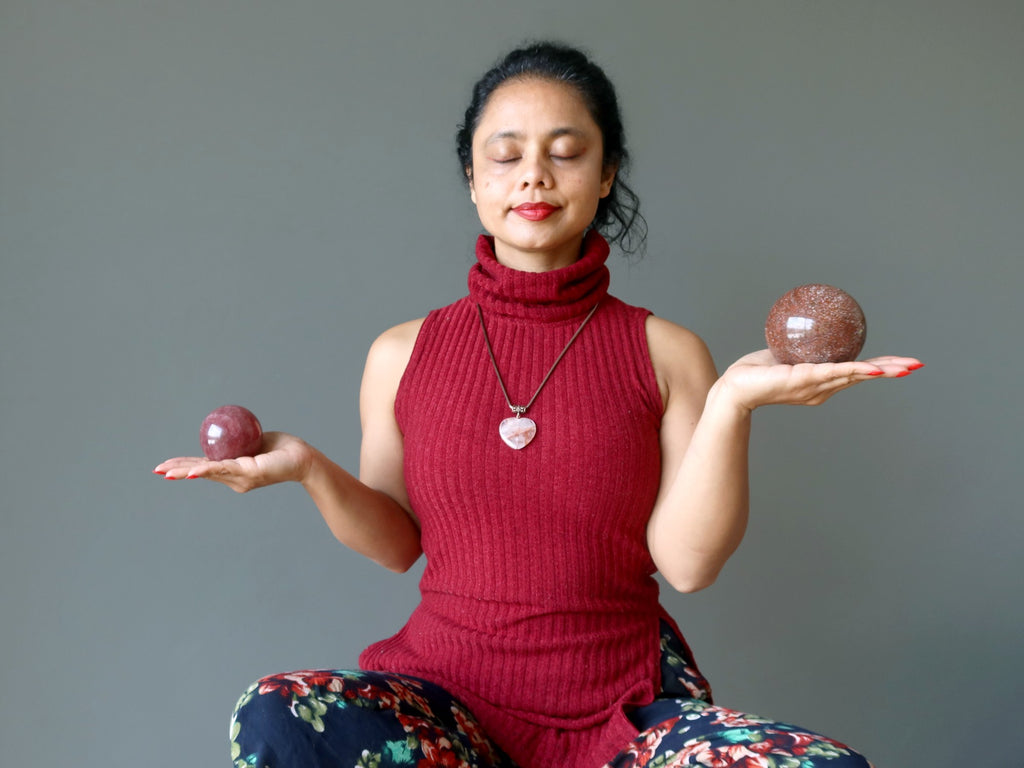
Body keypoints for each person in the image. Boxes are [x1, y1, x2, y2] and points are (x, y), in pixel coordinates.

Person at [155, 41, 922, 768]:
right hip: (443, 714)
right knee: (276, 715)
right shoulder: (400, 354)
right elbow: (396, 543)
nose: (534, 176)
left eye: (566, 152)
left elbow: (687, 567)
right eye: (506, 153)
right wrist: (309, 471)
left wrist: (731, 405)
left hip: (620, 720)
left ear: (607, 173)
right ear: (472, 176)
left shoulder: (668, 353)